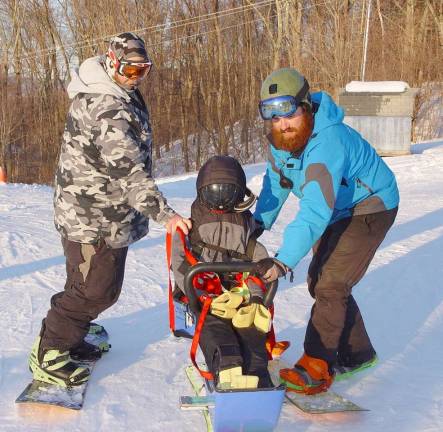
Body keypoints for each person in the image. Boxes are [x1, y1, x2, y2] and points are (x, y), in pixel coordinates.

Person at [29, 32, 191, 387]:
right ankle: (51, 349)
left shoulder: (119, 92)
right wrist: (166, 215)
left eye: (142, 71)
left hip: (99, 210)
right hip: (93, 216)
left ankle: (71, 335)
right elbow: (128, 172)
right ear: (111, 63)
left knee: (86, 281)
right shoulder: (107, 106)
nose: (135, 78)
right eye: (129, 70)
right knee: (96, 290)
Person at [253, 68, 399, 395]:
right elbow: (277, 185)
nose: (282, 124)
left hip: (370, 204)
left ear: (305, 106)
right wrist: (255, 225)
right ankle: (357, 354)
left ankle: (318, 364)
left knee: (331, 282)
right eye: (272, 117)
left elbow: (315, 210)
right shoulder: (282, 141)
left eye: (288, 113)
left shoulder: (327, 141)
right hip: (336, 207)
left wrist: (282, 261)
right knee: (319, 279)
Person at [171, 155, 274, 389]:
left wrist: (255, 295)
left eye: (226, 193)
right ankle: (227, 368)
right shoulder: (191, 227)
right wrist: (200, 293)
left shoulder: (244, 225)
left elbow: (259, 258)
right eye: (214, 192)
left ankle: (258, 371)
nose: (219, 200)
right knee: (214, 325)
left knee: (249, 325)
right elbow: (179, 262)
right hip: (205, 292)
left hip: (239, 292)